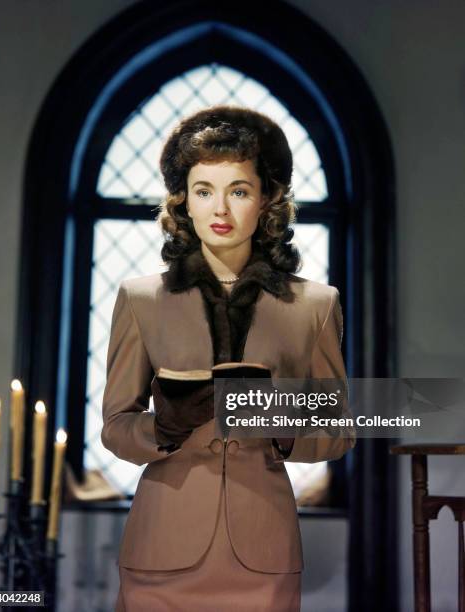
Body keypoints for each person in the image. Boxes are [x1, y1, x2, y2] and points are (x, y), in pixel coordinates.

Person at [101, 105, 356, 612]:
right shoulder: (140, 298)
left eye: (238, 190)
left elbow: (339, 429)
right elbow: (114, 425)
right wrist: (164, 429)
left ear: (265, 200)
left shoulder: (317, 305)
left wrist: (282, 428)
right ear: (184, 204)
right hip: (161, 546)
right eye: (204, 191)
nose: (220, 209)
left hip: (263, 549)